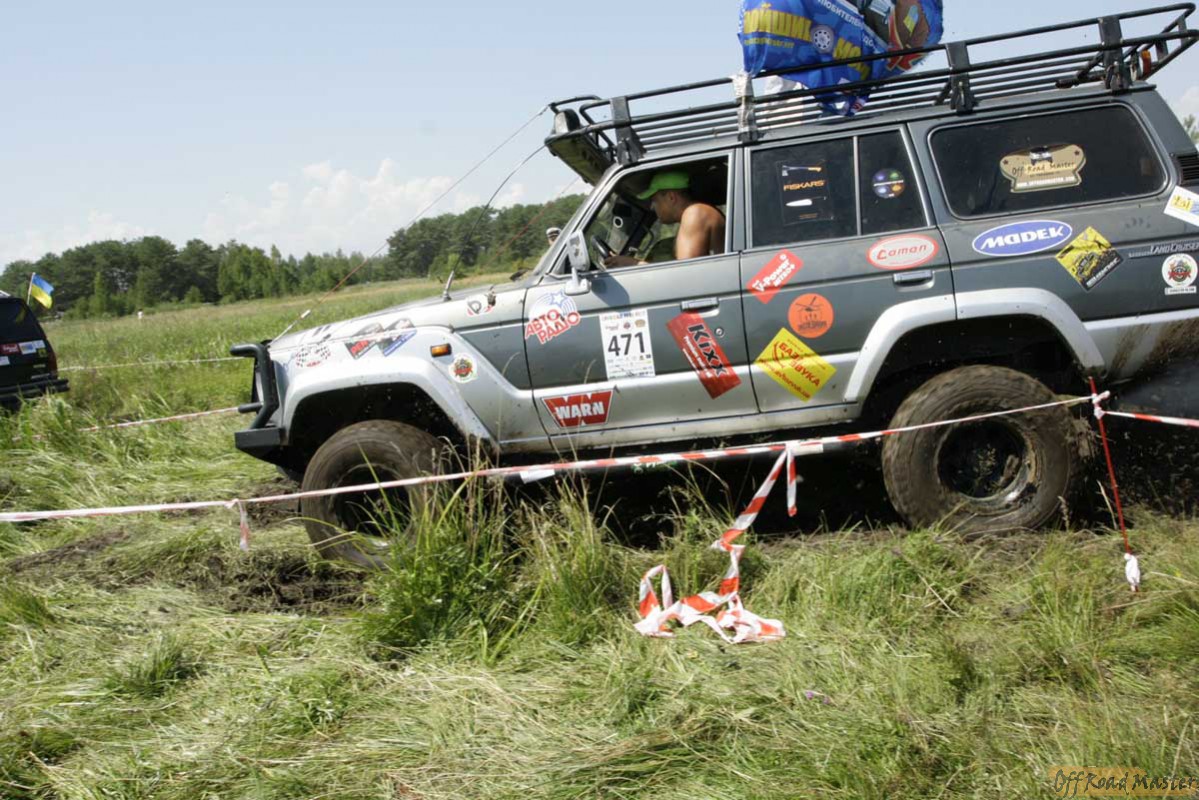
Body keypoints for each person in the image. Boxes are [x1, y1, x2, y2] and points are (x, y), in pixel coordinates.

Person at [603, 171, 725, 267]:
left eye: (655, 200)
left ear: (671, 197)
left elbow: (686, 275)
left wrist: (633, 264)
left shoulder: (695, 213)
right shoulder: (698, 212)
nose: (652, 206)